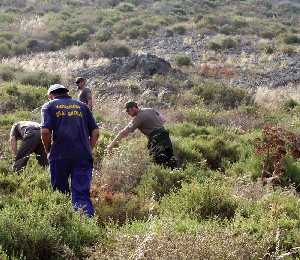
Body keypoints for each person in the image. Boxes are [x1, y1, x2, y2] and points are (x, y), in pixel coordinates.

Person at [41, 84, 99, 217]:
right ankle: (86, 225)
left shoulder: (49, 106)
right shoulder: (82, 106)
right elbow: (95, 132)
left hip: (59, 155)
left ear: (51, 95)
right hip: (83, 155)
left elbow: (45, 132)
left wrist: (49, 150)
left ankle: (64, 222)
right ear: (66, 93)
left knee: (60, 192)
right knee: (81, 193)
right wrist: (89, 149)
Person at [107, 101, 177, 169]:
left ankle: (162, 178)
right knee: (171, 159)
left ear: (133, 108)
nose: (128, 113)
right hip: (165, 135)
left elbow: (124, 132)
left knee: (158, 163)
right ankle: (175, 175)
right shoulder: (150, 109)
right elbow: (163, 119)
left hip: (156, 139)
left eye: (128, 111)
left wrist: (111, 145)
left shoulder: (138, 118)